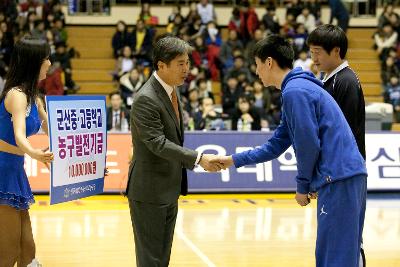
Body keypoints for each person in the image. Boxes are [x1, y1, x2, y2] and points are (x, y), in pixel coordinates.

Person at [214, 34, 367, 267]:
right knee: (334, 256)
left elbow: (308, 143)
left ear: (268, 62)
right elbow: (276, 144)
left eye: (256, 66)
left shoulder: (295, 91)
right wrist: (233, 160)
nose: (256, 73)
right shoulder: (298, 88)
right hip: (343, 176)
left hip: (339, 178)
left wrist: (303, 185)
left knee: (335, 258)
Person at [126, 36, 222, 267]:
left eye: (187, 62)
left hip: (168, 187)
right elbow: (157, 143)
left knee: (162, 257)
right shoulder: (146, 98)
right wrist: (199, 158)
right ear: (161, 65)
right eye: (180, 63)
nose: (186, 69)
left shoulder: (171, 90)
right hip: (149, 191)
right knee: (150, 258)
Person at [307, 24, 367, 266]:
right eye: (311, 52)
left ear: (336, 51)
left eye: (318, 52)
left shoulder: (346, 82)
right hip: (337, 173)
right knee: (335, 240)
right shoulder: (331, 80)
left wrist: (321, 173)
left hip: (343, 174)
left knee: (346, 243)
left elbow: (344, 135)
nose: (314, 58)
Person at [0, 36, 54, 267]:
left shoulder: (34, 98)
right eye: (46, 58)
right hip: (2, 171)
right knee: (8, 251)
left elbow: (54, 131)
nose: (50, 63)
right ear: (34, 62)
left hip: (15, 170)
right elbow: (20, 135)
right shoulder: (16, 96)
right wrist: (34, 153)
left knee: (27, 252)